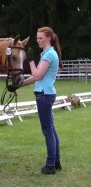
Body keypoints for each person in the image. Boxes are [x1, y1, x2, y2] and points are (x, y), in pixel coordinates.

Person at [22, 27, 63, 175]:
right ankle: (56, 162)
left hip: (44, 96)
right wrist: (20, 84)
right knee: (51, 129)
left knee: (47, 131)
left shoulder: (49, 55)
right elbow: (35, 77)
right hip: (45, 94)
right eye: (37, 38)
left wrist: (31, 61)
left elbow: (37, 75)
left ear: (48, 38)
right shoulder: (48, 54)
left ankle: (50, 165)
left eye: (40, 38)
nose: (37, 40)